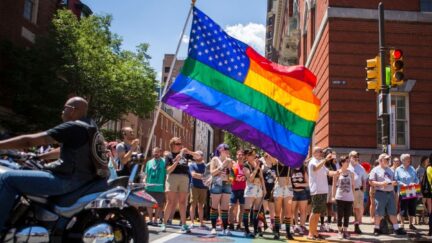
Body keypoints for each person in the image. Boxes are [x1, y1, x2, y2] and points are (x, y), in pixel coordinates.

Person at [0, 97, 98, 231]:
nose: (62, 111)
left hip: (66, 180)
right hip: (81, 179)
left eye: (65, 108)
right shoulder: (90, 126)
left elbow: (29, 141)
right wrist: (41, 156)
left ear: (73, 110)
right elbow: (64, 150)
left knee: (8, 178)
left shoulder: (73, 126)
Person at [160, 137, 200, 233]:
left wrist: (189, 152)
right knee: (170, 202)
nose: (180, 145)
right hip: (172, 177)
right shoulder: (169, 155)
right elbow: (168, 170)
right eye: (178, 144)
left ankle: (184, 224)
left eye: (180, 143)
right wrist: (176, 161)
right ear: (173, 145)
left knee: (183, 202)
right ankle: (164, 223)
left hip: (184, 178)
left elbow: (198, 157)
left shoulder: (185, 155)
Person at [369, 153, 406, 236]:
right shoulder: (375, 170)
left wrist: (395, 183)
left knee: (392, 212)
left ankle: (396, 229)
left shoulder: (390, 170)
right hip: (380, 193)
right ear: (380, 160)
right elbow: (370, 181)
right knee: (379, 212)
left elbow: (395, 181)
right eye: (386, 159)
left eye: (388, 159)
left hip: (390, 193)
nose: (388, 161)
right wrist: (381, 183)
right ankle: (376, 229)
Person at [307, 146, 339, 240]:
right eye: (320, 151)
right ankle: (310, 233)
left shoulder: (321, 162)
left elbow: (329, 172)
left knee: (318, 213)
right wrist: (325, 159)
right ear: (314, 153)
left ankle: (314, 232)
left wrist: (339, 171)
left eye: (322, 152)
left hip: (323, 191)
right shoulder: (312, 161)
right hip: (316, 191)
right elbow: (315, 168)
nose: (322, 153)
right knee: (315, 212)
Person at [208, 144, 233, 235]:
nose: (227, 150)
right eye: (225, 149)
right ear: (220, 150)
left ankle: (225, 228)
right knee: (214, 206)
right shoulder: (215, 159)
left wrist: (229, 167)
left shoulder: (230, 160)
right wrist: (222, 165)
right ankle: (213, 227)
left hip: (226, 184)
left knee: (225, 207)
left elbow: (231, 175)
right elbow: (212, 172)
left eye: (227, 149)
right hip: (217, 183)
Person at [243, 148, 266, 238]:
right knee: (247, 210)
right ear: (248, 156)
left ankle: (256, 230)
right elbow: (250, 178)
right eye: (252, 155)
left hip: (258, 188)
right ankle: (246, 230)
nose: (254, 156)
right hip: (250, 189)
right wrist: (256, 168)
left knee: (257, 210)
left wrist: (264, 188)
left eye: (255, 154)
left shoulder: (257, 164)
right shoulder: (246, 165)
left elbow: (261, 177)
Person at [332, 156, 355, 240]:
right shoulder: (337, 173)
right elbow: (334, 186)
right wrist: (333, 196)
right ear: (342, 163)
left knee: (347, 215)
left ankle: (345, 231)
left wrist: (353, 197)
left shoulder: (351, 173)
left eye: (349, 161)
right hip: (339, 197)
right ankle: (339, 231)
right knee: (339, 215)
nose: (348, 163)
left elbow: (353, 186)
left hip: (349, 197)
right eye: (347, 161)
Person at [395, 153, 419, 230]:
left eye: (409, 158)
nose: (409, 160)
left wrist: (415, 183)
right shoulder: (398, 169)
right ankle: (402, 224)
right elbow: (396, 180)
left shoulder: (412, 168)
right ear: (403, 160)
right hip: (403, 190)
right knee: (403, 207)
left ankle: (411, 224)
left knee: (412, 207)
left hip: (412, 189)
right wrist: (402, 184)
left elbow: (416, 178)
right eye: (408, 159)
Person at [143, 147, 166, 226]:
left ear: (160, 152)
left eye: (157, 152)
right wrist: (144, 180)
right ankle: (150, 219)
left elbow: (167, 173)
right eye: (154, 152)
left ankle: (155, 220)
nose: (156, 153)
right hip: (149, 186)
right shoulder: (149, 162)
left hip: (160, 187)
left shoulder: (164, 162)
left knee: (159, 205)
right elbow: (146, 173)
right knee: (149, 204)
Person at [273, 160, 294, 240]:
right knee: (277, 212)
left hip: (288, 188)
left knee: (288, 212)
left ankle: (288, 233)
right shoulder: (276, 162)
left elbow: (300, 160)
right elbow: (269, 153)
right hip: (278, 187)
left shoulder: (291, 161)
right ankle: (277, 232)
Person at [348, 150, 367, 234]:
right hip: (347, 191)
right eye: (354, 156)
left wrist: (364, 189)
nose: (356, 158)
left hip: (357, 190)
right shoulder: (347, 166)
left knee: (357, 208)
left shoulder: (361, 167)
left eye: (357, 157)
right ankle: (343, 227)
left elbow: (364, 179)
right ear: (350, 157)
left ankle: (357, 225)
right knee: (346, 209)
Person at [189, 150, 208, 229]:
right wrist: (203, 176)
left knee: (201, 205)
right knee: (193, 204)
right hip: (194, 186)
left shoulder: (205, 166)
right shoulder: (192, 165)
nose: (196, 156)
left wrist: (201, 176)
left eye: (198, 155)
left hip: (203, 187)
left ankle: (201, 223)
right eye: (195, 155)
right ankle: (192, 222)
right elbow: (193, 175)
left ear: (202, 156)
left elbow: (208, 176)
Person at [290, 157, 309, 236]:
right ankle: (292, 226)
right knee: (291, 211)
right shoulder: (290, 169)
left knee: (303, 211)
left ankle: (302, 226)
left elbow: (308, 183)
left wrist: (299, 184)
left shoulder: (304, 169)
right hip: (293, 193)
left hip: (302, 193)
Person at [228, 149, 247, 231]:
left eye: (241, 154)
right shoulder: (233, 166)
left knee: (242, 208)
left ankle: (239, 225)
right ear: (236, 156)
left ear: (244, 156)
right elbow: (230, 179)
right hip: (234, 189)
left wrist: (244, 177)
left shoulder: (246, 167)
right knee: (231, 207)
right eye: (238, 155)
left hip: (243, 189)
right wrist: (235, 179)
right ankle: (231, 224)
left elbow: (249, 178)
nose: (240, 156)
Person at [321, 148, 337, 232]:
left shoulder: (333, 165)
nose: (331, 155)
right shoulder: (323, 163)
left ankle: (329, 223)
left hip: (331, 186)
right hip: (324, 185)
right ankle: (322, 224)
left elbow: (335, 175)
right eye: (329, 154)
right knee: (323, 206)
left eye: (332, 154)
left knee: (330, 205)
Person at [261, 153, 276, 235]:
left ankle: (272, 224)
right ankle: (263, 224)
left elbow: (277, 178)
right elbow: (261, 178)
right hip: (265, 190)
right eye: (267, 156)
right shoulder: (263, 166)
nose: (269, 157)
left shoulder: (274, 166)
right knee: (263, 209)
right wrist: (263, 189)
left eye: (270, 155)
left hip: (273, 190)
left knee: (272, 209)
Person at [424, 154, 432, 236]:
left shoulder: (428, 168)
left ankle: (431, 230)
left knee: (431, 212)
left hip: (429, 194)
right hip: (430, 194)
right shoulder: (429, 168)